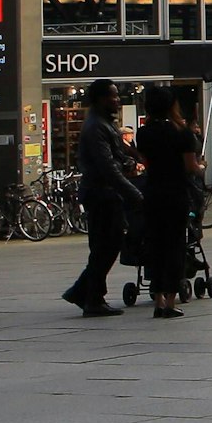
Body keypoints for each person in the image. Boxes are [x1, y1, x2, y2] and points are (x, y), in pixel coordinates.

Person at [62, 78, 142, 317]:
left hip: (106, 192)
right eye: (112, 96)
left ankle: (85, 292)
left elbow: (116, 158)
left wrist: (130, 162)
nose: (117, 100)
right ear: (99, 99)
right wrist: (133, 192)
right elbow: (107, 166)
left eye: (117, 95)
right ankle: (90, 297)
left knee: (108, 245)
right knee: (105, 246)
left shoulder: (104, 124)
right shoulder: (97, 126)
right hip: (101, 193)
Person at [137, 86, 201, 319]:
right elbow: (190, 167)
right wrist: (200, 168)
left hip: (152, 193)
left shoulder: (143, 133)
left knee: (155, 245)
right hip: (176, 194)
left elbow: (146, 162)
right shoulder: (182, 134)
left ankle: (157, 300)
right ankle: (171, 302)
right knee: (175, 246)